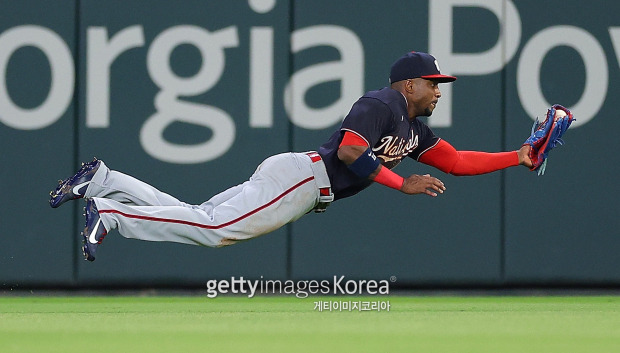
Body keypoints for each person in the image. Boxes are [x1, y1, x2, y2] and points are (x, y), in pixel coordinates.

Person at [49, 51, 533, 261]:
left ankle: (104, 181)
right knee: (216, 232)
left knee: (199, 216)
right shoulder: (383, 103)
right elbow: (350, 149)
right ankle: (110, 214)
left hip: (300, 180)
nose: (438, 91)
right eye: (434, 83)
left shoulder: (414, 127)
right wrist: (399, 182)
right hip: (306, 179)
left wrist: (520, 155)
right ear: (410, 84)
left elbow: (458, 161)